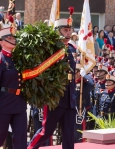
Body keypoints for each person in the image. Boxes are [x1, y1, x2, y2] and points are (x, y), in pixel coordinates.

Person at [27, 17, 76, 149]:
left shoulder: (71, 49)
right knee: (46, 131)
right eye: (65, 30)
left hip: (69, 98)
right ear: (58, 31)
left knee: (69, 134)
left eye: (70, 30)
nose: (68, 32)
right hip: (55, 99)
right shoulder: (52, 50)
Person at [0, 25, 27, 149]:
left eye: (14, 38)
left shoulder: (19, 59)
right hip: (3, 104)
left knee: (21, 138)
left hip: (19, 103)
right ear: (2, 42)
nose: (13, 40)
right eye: (10, 38)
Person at [74, 62, 94, 142]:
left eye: (75, 72)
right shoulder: (71, 82)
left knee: (79, 133)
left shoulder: (85, 83)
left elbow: (92, 84)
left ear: (79, 73)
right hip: (71, 108)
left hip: (80, 108)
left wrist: (85, 75)